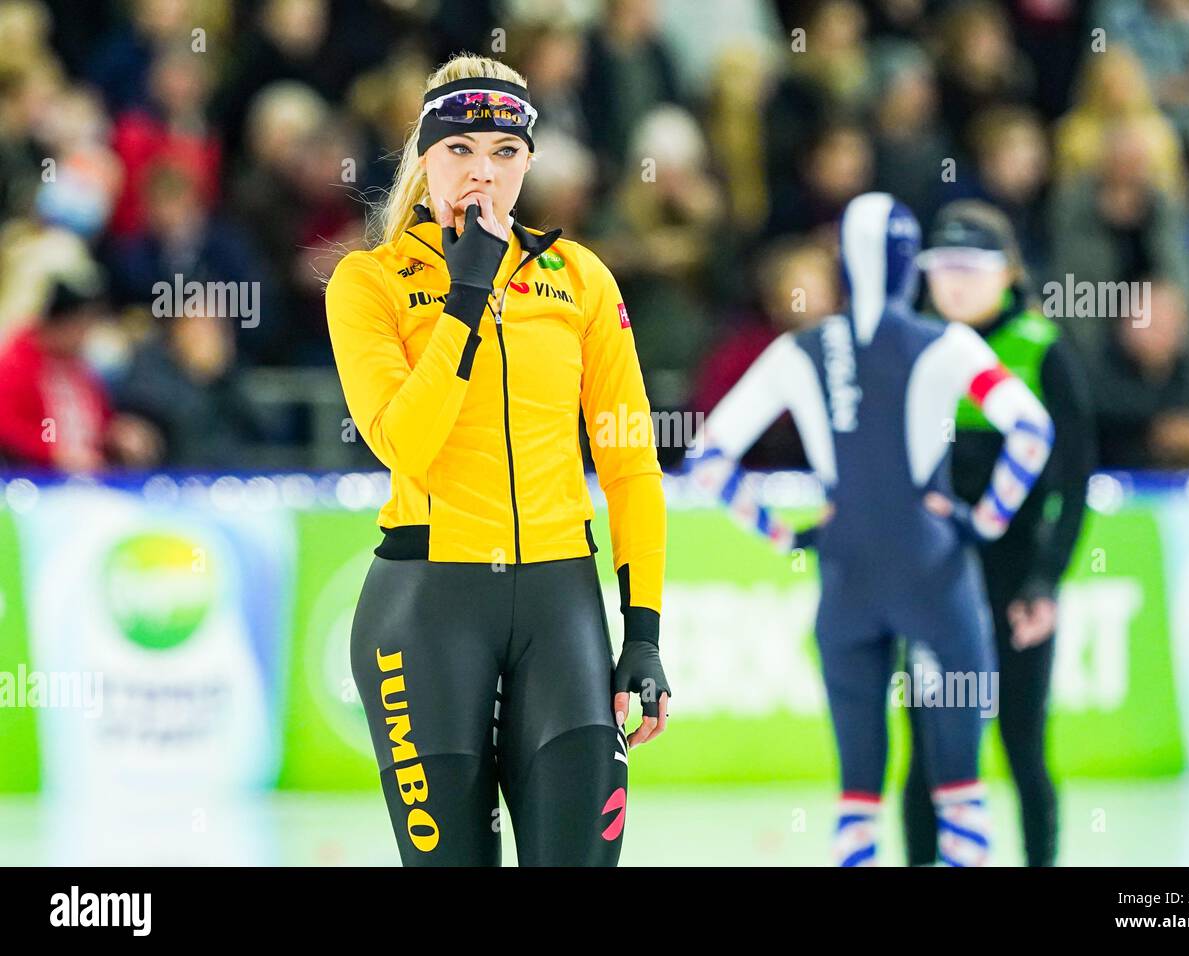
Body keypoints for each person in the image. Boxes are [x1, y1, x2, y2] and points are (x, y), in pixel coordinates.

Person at [324, 53, 669, 867]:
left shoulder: (578, 278)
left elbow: (630, 464)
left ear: (529, 162)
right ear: (424, 157)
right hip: (427, 608)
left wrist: (645, 631)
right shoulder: (368, 282)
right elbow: (405, 440)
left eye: (506, 152)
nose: (483, 173)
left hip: (562, 605)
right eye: (460, 150)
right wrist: (466, 298)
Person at [686, 193, 1055, 866]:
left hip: (846, 578)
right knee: (961, 791)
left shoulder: (798, 349)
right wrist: (985, 520)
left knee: (856, 795)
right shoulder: (946, 342)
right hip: (936, 575)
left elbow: (708, 461)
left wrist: (787, 534)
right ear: (910, 260)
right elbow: (1032, 431)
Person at [903, 200, 1095, 867]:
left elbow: (1075, 483)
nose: (954, 283)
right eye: (941, 268)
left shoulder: (1043, 350)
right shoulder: (913, 345)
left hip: (1014, 581)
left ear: (1009, 273)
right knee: (926, 748)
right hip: (933, 584)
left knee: (1021, 742)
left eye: (970, 268)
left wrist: (1046, 579)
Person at [0, 270, 161, 472]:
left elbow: (96, 419)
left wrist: (115, 431)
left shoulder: (78, 368)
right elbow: (8, 428)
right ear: (62, 325)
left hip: (87, 475)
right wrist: (51, 452)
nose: (85, 335)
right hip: (36, 479)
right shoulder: (17, 365)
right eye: (81, 326)